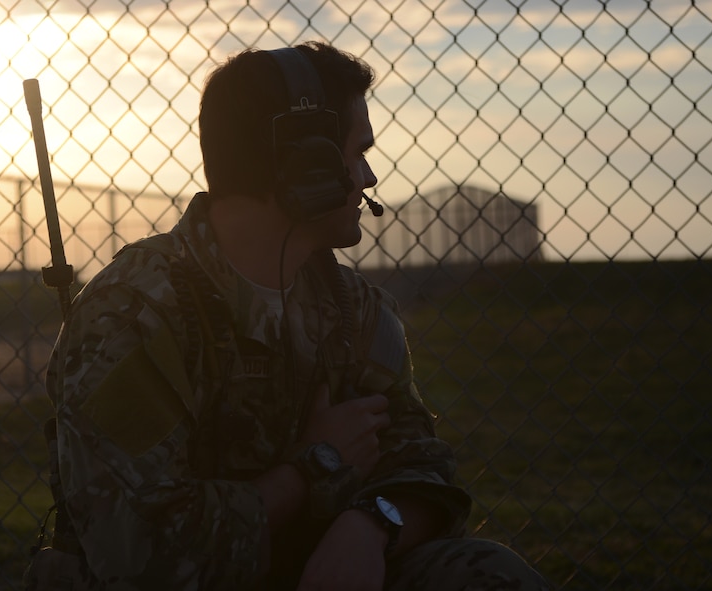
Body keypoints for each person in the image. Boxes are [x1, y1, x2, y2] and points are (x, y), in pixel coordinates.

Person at [28, 41, 549, 591]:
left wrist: (369, 527)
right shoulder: (135, 315)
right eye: (356, 153)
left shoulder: (354, 309)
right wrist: (312, 468)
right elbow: (144, 554)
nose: (368, 178)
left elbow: (422, 465)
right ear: (308, 165)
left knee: (490, 576)